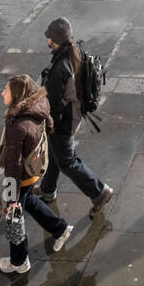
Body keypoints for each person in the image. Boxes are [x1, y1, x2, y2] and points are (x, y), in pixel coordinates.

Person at [0, 74, 72, 276]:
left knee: (14, 217)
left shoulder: (16, 126)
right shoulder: (39, 105)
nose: (2, 93)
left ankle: (19, 261)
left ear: (17, 95)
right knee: (28, 202)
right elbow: (50, 125)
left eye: (6, 90)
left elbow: (13, 165)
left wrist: (10, 197)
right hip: (35, 168)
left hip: (22, 176)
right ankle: (60, 228)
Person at [37, 19, 113, 218]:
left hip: (64, 121)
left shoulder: (59, 68)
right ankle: (47, 189)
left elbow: (55, 104)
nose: (47, 39)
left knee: (67, 161)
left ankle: (99, 192)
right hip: (75, 112)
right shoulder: (75, 52)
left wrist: (48, 124)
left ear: (55, 40)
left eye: (49, 37)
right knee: (56, 154)